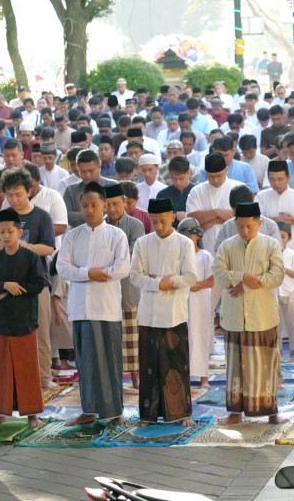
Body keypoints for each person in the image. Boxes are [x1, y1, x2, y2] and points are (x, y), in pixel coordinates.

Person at [57, 182, 131, 426]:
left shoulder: (116, 235)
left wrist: (100, 273)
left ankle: (114, 411)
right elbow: (62, 267)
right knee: (85, 359)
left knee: (109, 359)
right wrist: (90, 273)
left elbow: (121, 268)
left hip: (106, 307)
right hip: (80, 307)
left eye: (94, 205)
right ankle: (89, 409)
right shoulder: (72, 236)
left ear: (105, 206)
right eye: (85, 205)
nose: (89, 210)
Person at [212, 201, 285, 425]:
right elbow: (219, 274)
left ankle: (272, 413)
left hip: (262, 315)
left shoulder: (271, 244)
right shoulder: (226, 246)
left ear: (260, 224)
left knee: (266, 364)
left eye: (250, 227)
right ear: (235, 223)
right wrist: (242, 276)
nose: (245, 231)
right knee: (235, 367)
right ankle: (235, 413)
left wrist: (250, 283)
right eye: (241, 226)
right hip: (234, 316)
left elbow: (278, 275)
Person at [0, 168, 57, 388]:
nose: (14, 200)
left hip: (35, 283)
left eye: (18, 194)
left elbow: (47, 248)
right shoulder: (2, 217)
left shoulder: (41, 216)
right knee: (6, 332)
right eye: (9, 195)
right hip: (5, 283)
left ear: (29, 191)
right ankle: (11, 377)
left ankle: (44, 375)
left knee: (41, 331)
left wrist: (23, 246)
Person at [130, 198, 197, 425]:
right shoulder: (142, 243)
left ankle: (181, 414)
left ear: (172, 217)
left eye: (163, 221)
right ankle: (148, 415)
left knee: (176, 364)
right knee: (149, 365)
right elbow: (135, 276)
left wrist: (170, 281)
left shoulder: (184, 243)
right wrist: (160, 283)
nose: (159, 226)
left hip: (174, 314)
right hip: (148, 314)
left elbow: (190, 276)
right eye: (155, 221)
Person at [0, 208, 48, 427]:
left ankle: (32, 414)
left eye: (10, 231)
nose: (6, 236)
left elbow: (39, 284)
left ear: (20, 233)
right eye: (2, 232)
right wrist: (3, 285)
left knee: (27, 368)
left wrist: (12, 288)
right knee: (0, 369)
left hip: (24, 320)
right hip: (1, 321)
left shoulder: (30, 257)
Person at [103, 183, 145, 389]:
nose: (112, 209)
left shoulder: (135, 225)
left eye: (116, 204)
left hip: (129, 288)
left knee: (133, 339)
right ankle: (114, 380)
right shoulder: (99, 225)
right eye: (108, 204)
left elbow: (133, 253)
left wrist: (110, 258)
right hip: (105, 290)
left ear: (125, 203)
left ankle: (136, 379)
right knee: (110, 337)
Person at [177, 218, 214, 389]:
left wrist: (196, 285)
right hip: (182, 300)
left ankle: (203, 378)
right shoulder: (178, 256)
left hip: (200, 302)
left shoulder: (205, 256)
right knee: (183, 336)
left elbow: (213, 280)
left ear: (197, 236)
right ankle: (184, 376)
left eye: (189, 235)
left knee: (201, 335)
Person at [186, 153, 244, 252]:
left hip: (234, 249)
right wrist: (217, 213)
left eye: (219, 176)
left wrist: (209, 221)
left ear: (226, 170)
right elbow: (191, 219)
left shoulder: (240, 188)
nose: (215, 180)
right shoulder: (197, 191)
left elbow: (244, 218)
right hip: (205, 250)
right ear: (205, 173)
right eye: (211, 177)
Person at [256, 160, 294, 252]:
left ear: (288, 177)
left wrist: (291, 220)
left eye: (280, 179)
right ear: (268, 178)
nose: (276, 183)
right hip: (267, 248)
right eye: (272, 179)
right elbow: (255, 221)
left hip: (293, 248)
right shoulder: (261, 196)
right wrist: (277, 219)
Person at [63, 149, 118, 228]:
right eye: (83, 171)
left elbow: (117, 213)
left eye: (91, 171)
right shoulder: (71, 190)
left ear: (99, 167)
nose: (87, 175)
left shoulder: (113, 186)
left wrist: (83, 215)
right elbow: (66, 215)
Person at [275, 222, 294, 364]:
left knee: (292, 324)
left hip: (289, 292)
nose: (280, 239)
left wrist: (283, 269)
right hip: (275, 293)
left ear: (289, 238)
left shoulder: (293, 254)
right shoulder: (271, 254)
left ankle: (293, 353)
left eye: (283, 236)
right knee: (276, 325)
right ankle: (278, 353)